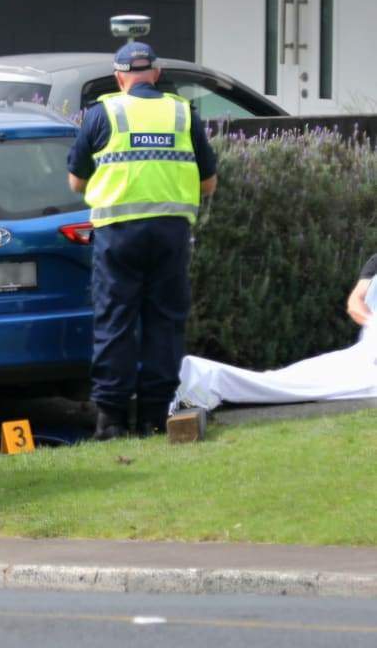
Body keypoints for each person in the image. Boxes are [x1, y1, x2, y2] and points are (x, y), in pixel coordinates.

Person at [66, 42, 218, 440]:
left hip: (118, 235)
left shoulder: (104, 114)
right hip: (170, 232)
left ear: (119, 78)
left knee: (115, 321)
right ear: (156, 73)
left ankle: (112, 420)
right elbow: (209, 184)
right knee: (164, 321)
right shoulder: (182, 113)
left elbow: (75, 181)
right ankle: (154, 416)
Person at [175, 257, 377, 411]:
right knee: (291, 380)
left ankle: (202, 382)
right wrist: (372, 323)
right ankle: (201, 381)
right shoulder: (375, 261)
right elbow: (355, 303)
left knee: (303, 383)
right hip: (366, 352)